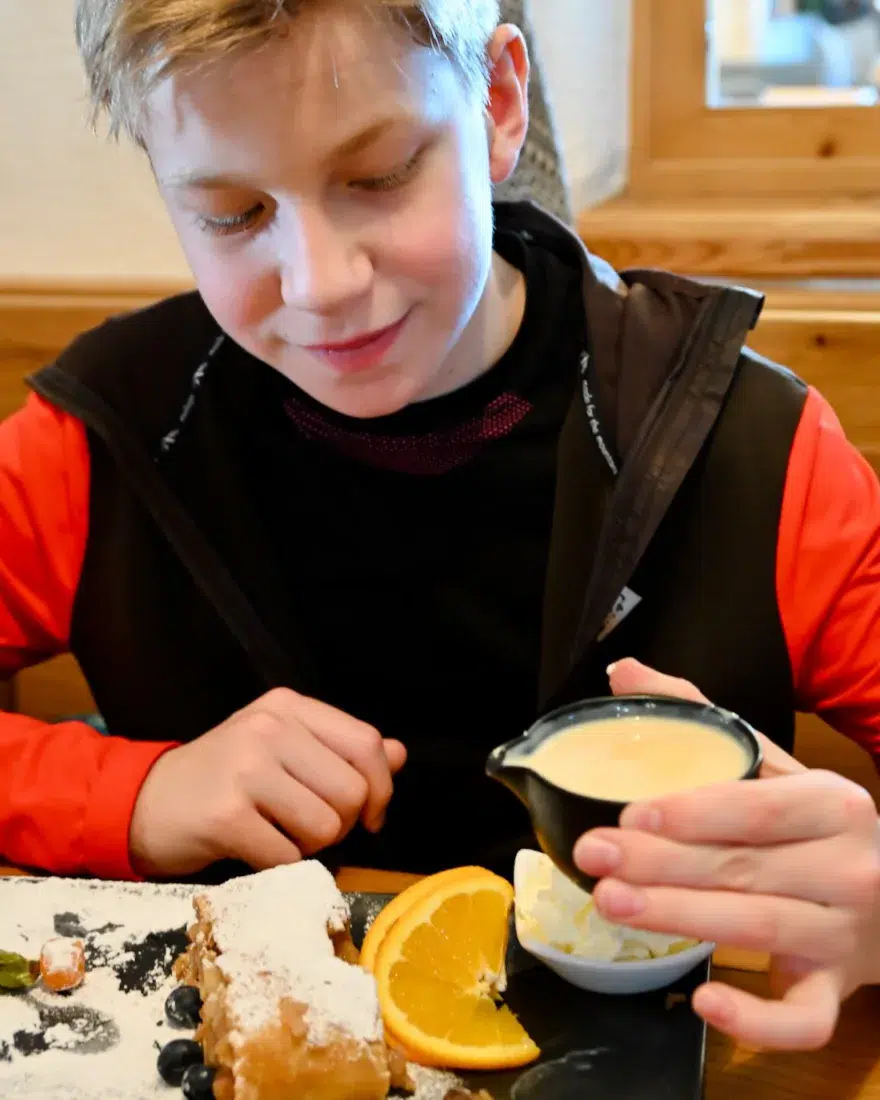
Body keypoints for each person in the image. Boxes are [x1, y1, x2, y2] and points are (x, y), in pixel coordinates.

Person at [1, 0, 879, 1052]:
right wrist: (136, 791)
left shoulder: (751, 448)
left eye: (378, 176)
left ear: (498, 104)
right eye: (232, 213)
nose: (322, 285)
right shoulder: (103, 434)